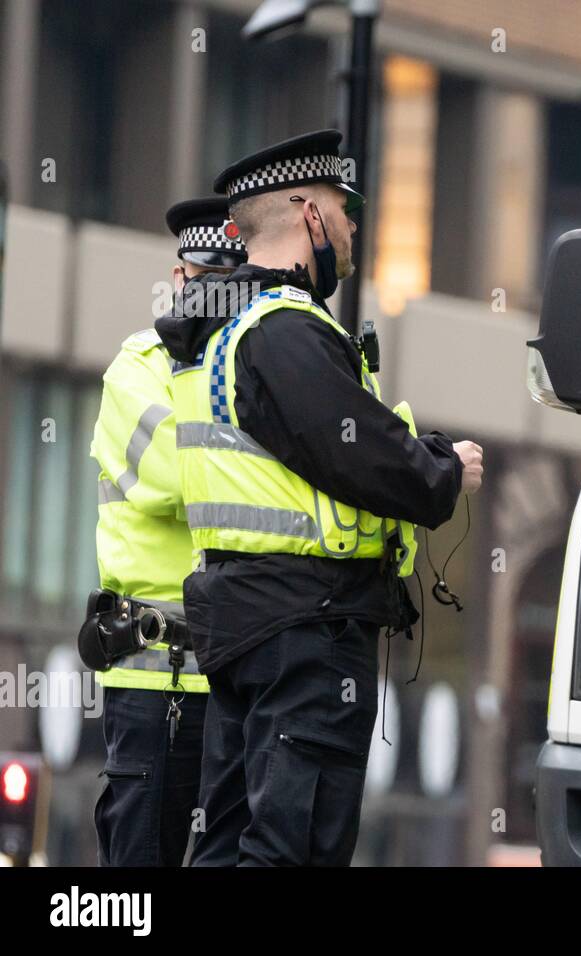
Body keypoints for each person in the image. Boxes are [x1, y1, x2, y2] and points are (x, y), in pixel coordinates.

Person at [156, 129, 483, 866]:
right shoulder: (285, 331)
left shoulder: (222, 332)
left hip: (247, 619)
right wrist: (441, 470)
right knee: (295, 844)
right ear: (307, 213)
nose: (353, 226)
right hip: (306, 625)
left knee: (233, 841)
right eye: (343, 207)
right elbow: (356, 451)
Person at [86, 198, 247, 866]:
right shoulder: (138, 368)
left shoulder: (258, 362)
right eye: (203, 280)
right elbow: (178, 479)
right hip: (156, 686)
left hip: (240, 679)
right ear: (179, 279)